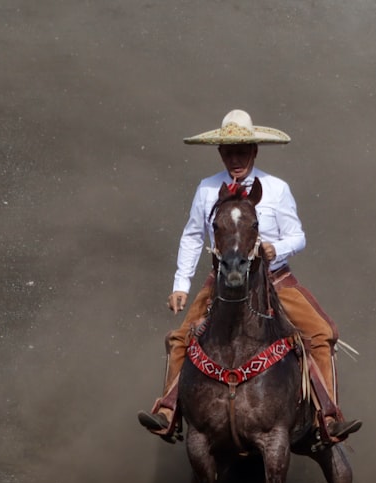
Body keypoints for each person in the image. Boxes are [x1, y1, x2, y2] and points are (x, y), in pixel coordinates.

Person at [138, 109, 361, 444]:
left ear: (255, 151)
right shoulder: (206, 189)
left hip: (274, 279)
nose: (236, 158)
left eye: (243, 150)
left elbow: (298, 235)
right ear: (220, 153)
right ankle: (168, 410)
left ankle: (327, 416)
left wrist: (276, 249)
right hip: (221, 282)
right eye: (230, 152)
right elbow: (193, 236)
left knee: (322, 333)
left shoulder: (277, 188)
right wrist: (180, 286)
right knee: (179, 338)